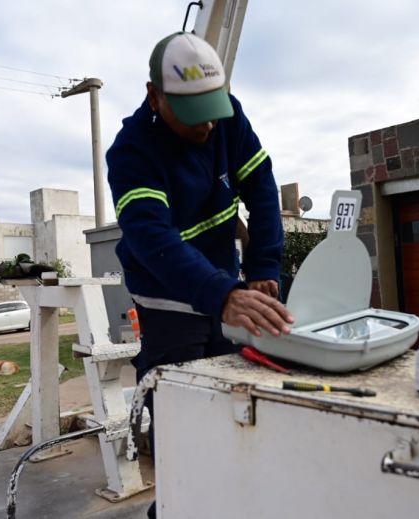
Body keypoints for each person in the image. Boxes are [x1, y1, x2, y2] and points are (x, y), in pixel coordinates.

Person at [106, 31, 293, 518]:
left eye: (213, 109)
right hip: (171, 307)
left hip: (226, 294)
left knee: (237, 416)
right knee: (183, 432)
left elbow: (261, 187)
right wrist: (222, 292)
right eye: (192, 114)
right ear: (155, 95)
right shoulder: (132, 152)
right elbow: (154, 240)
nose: (207, 125)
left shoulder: (227, 115)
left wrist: (264, 266)